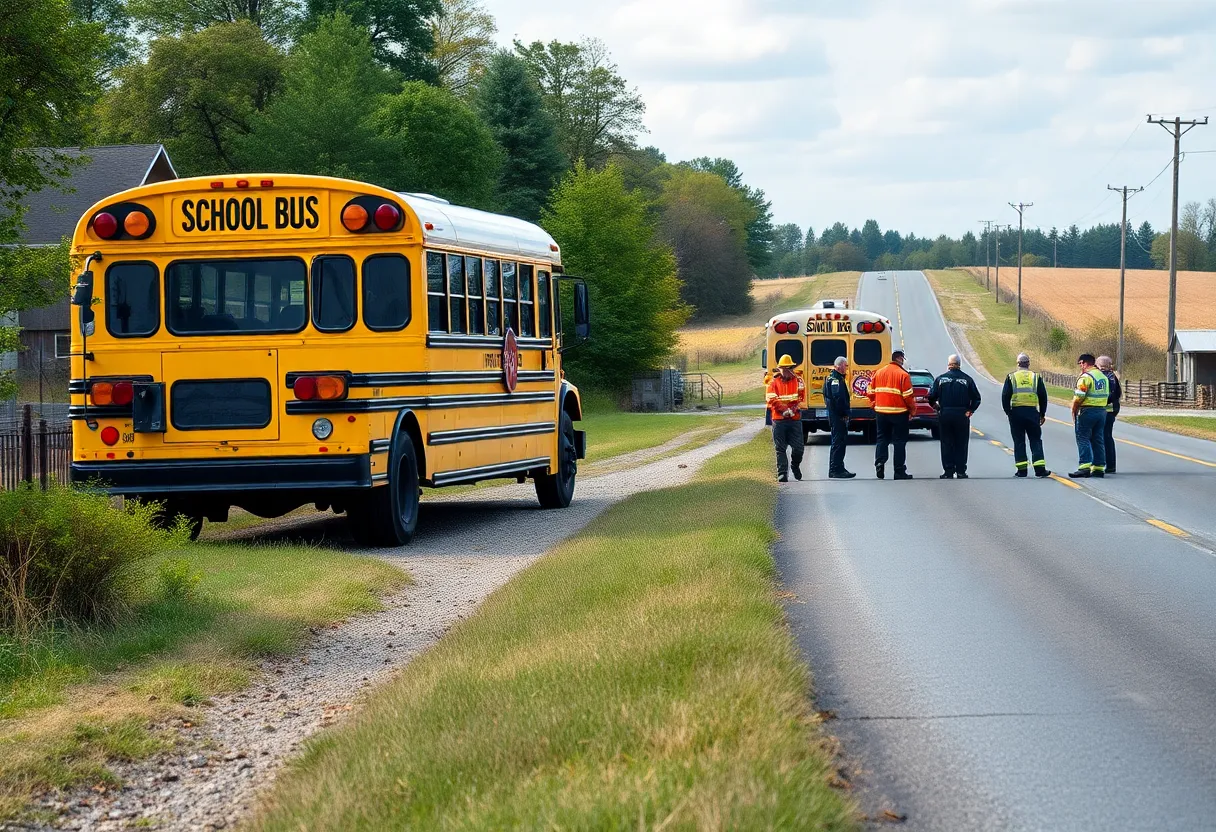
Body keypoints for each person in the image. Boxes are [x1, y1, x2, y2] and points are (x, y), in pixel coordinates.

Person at [928, 354, 981, 478]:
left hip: (945, 413)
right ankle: (961, 470)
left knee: (947, 442)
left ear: (949, 364)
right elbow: (977, 398)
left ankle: (948, 471)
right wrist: (970, 410)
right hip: (962, 414)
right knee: (961, 443)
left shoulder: (940, 379)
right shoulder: (967, 380)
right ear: (959, 364)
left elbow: (931, 396)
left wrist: (936, 407)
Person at [867, 349, 916, 480]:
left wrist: (874, 405)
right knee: (899, 442)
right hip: (899, 413)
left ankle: (880, 462)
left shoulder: (879, 373)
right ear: (900, 359)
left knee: (882, 439)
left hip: (881, 412)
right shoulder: (903, 375)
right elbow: (908, 396)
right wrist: (912, 411)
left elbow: (870, 392)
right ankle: (899, 471)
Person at [1001, 353, 1051, 478]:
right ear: (1028, 363)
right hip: (1032, 412)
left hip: (1016, 412)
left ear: (1017, 364)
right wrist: (1042, 413)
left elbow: (1005, 396)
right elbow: (1043, 396)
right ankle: (1040, 469)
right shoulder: (1035, 377)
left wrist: (1008, 412)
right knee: (1035, 440)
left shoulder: (1011, 377)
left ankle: (1022, 470)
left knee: (1019, 441)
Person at [1069, 353, 1109, 479]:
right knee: (1098, 439)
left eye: (1080, 364)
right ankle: (1098, 468)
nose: (1080, 366)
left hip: (1087, 410)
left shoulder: (1086, 377)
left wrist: (1074, 410)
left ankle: (1084, 467)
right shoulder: (1103, 377)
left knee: (1083, 438)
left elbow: (1079, 396)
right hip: (1101, 411)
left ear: (1084, 363)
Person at [766, 354, 805, 482]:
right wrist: (784, 410)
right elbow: (771, 399)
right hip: (779, 419)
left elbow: (801, 398)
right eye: (784, 368)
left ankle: (795, 465)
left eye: (789, 368)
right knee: (780, 448)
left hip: (794, 419)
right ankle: (782, 473)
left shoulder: (798, 380)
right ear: (780, 369)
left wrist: (792, 410)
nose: (787, 371)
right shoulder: (773, 382)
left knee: (798, 448)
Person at [823, 356, 855, 478]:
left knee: (840, 442)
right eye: (845, 366)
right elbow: (838, 399)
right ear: (840, 366)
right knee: (838, 442)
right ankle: (835, 469)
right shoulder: (835, 380)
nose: (846, 368)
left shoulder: (834, 378)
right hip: (838, 417)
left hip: (836, 415)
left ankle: (839, 467)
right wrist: (844, 414)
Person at [1097, 355, 1122, 474]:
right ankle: (1110, 464)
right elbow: (1118, 393)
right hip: (1111, 410)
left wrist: (1102, 402)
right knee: (1107, 436)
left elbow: (1113, 394)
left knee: (1103, 437)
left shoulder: (1102, 376)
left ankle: (1104, 464)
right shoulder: (1113, 376)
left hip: (1105, 410)